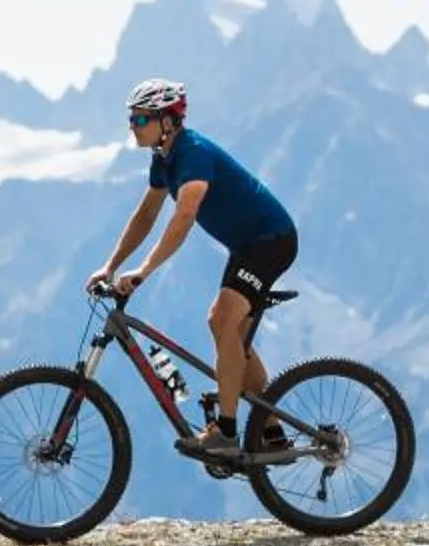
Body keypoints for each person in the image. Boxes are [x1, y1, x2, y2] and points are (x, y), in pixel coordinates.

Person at [89, 77, 299, 468]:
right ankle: (273, 436)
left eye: (141, 119)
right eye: (131, 119)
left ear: (167, 121)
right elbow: (145, 215)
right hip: (247, 247)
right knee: (231, 336)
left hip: (271, 241)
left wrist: (143, 271)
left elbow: (184, 215)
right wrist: (110, 265)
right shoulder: (164, 158)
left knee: (221, 320)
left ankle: (226, 433)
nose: (133, 126)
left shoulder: (194, 154)